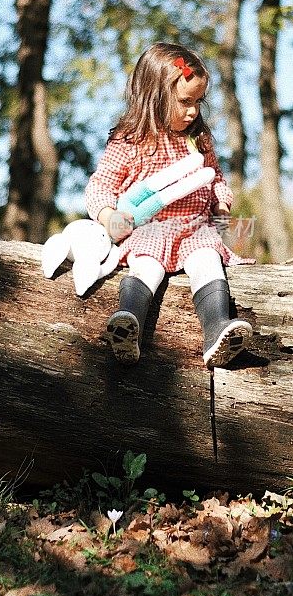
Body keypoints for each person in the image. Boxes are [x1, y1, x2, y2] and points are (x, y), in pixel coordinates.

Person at [84, 42, 253, 368]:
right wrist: (109, 216)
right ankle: (127, 322)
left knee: (207, 261)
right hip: (150, 228)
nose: (193, 111)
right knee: (147, 265)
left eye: (198, 102)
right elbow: (101, 185)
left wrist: (220, 203)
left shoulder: (198, 139)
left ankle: (216, 329)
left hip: (194, 228)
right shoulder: (130, 140)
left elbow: (215, 177)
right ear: (155, 96)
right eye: (185, 102)